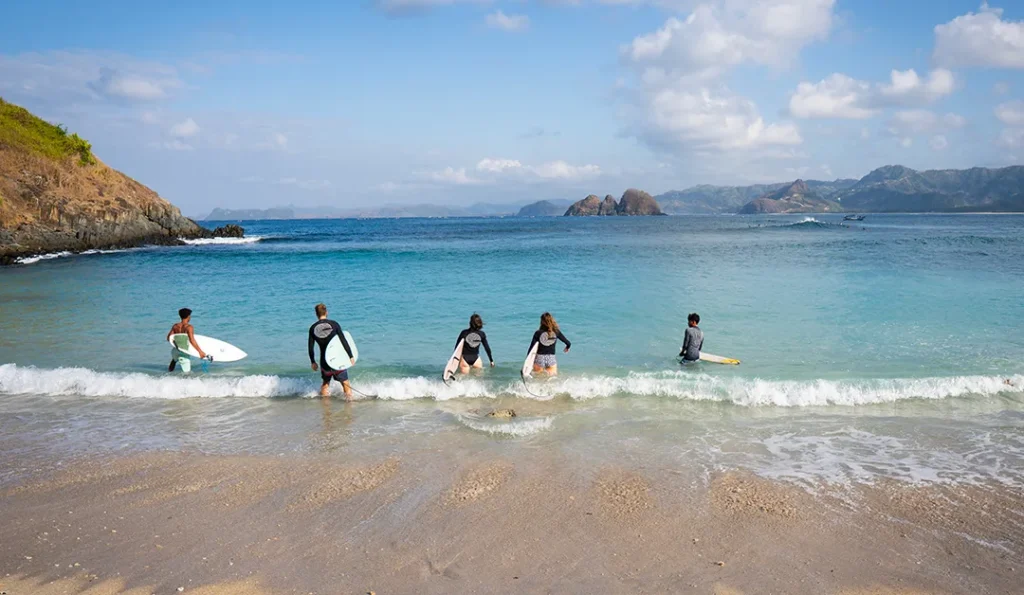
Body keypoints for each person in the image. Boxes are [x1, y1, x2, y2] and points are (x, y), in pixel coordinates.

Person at [308, 303, 355, 400]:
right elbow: (343, 341)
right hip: (337, 361)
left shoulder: (313, 328)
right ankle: (349, 404)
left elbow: (310, 347)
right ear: (326, 312)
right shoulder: (334, 324)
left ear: (316, 314)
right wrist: (350, 356)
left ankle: (325, 406)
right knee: (345, 383)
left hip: (324, 362)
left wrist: (313, 362)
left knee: (325, 384)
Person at [528, 312, 571, 376]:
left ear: (542, 322)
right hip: (551, 358)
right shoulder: (556, 331)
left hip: (540, 358)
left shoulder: (538, 333)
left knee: (538, 379)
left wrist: (528, 360)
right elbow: (568, 343)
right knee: (552, 379)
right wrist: (567, 348)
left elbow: (531, 348)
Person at [166, 308, 207, 373]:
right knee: (187, 373)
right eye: (190, 315)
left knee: (174, 360)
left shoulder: (175, 326)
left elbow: (168, 338)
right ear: (188, 316)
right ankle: (170, 378)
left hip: (175, 351)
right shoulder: (189, 327)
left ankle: (167, 375)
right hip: (184, 352)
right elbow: (192, 340)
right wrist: (200, 352)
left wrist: (176, 341)